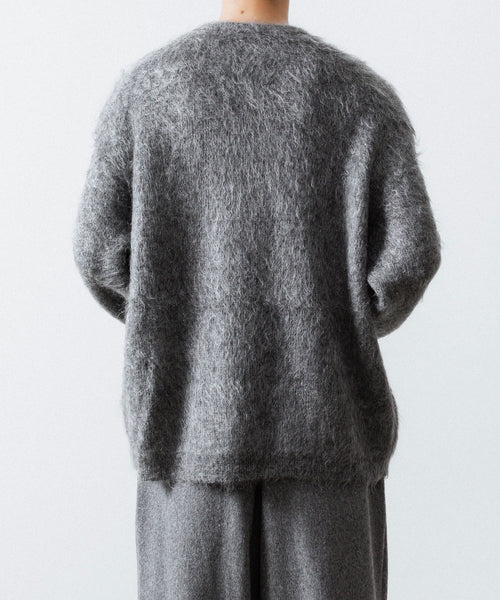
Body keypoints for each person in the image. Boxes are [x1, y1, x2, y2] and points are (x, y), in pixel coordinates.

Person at [72, 0, 442, 598]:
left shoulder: (147, 94)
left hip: (185, 442)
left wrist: (176, 319)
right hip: (328, 440)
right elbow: (407, 262)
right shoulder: (361, 98)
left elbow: (99, 254)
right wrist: (331, 324)